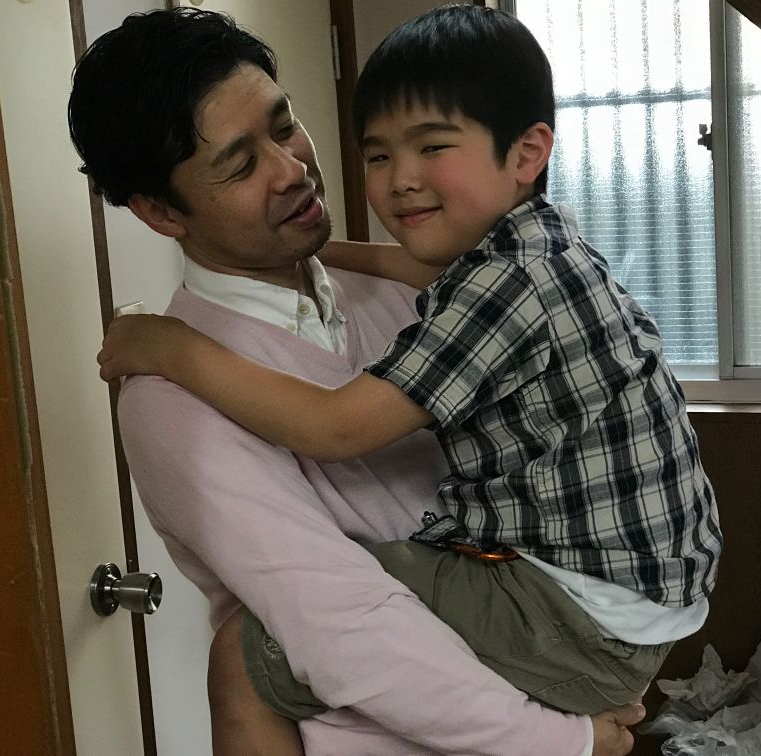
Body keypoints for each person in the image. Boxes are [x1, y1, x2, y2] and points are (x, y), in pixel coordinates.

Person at [97, 3, 724, 752]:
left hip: (559, 651)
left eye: (285, 124)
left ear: (525, 153)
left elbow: (338, 422)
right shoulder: (174, 409)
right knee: (242, 659)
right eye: (240, 162)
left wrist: (169, 344)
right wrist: (568, 740)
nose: (294, 169)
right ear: (160, 212)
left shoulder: (438, 295)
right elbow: (344, 625)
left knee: (242, 664)